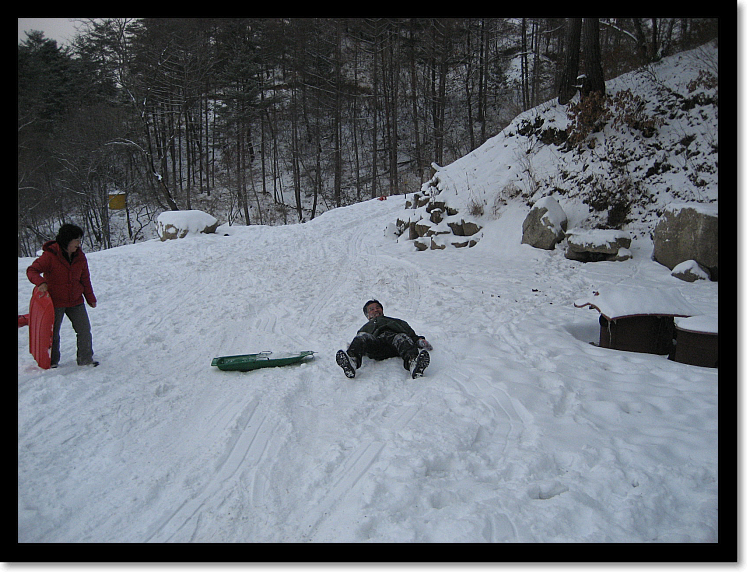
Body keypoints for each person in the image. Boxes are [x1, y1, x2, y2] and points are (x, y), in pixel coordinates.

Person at [27, 224, 98, 367]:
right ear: (67, 241)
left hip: (76, 300)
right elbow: (32, 270)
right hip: (55, 302)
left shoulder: (80, 257)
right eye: (76, 240)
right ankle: (51, 362)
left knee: (84, 330)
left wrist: (90, 298)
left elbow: (85, 279)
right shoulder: (49, 256)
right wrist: (40, 283)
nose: (79, 243)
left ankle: (85, 360)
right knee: (53, 335)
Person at [336, 299, 432, 379]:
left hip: (395, 343)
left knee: (402, 337)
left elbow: (411, 335)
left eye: (378, 308)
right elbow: (362, 341)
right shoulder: (365, 328)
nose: (376, 310)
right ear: (367, 315)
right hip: (377, 345)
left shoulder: (397, 322)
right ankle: (352, 362)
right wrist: (354, 347)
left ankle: (413, 363)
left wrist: (419, 341)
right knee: (362, 336)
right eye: (371, 309)